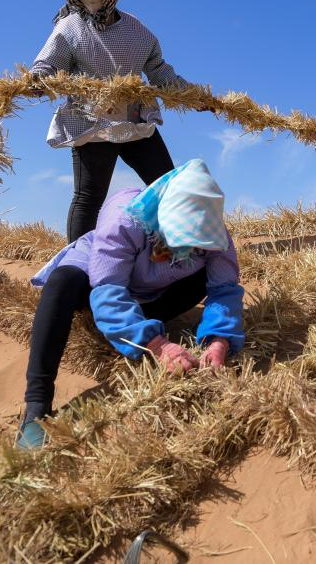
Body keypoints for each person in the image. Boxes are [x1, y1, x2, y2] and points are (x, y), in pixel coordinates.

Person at [16, 159, 244, 449]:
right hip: (97, 277)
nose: (190, 250)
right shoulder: (125, 217)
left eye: (198, 246)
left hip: (152, 290)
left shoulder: (215, 234)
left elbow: (224, 290)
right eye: (183, 241)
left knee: (204, 280)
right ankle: (36, 405)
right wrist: (157, 345)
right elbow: (108, 288)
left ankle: (131, 326)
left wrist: (219, 341)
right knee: (63, 282)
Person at [28, 0, 208, 242]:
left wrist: (193, 96)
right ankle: (76, 263)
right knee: (89, 196)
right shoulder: (69, 27)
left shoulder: (138, 32)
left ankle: (186, 246)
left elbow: (160, 72)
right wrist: (38, 81)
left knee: (166, 186)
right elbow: (47, 64)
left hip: (134, 122)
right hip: (92, 125)